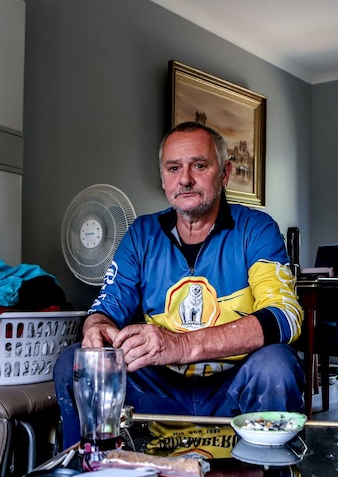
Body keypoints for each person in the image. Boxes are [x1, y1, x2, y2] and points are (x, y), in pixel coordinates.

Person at [53, 121, 306, 449]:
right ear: (163, 178)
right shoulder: (141, 234)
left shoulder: (255, 229)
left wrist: (182, 345)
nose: (185, 179)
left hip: (234, 387)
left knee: (276, 365)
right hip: (159, 390)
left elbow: (286, 316)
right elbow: (106, 308)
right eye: (174, 168)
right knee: (77, 361)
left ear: (224, 173)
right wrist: (96, 328)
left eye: (199, 166)